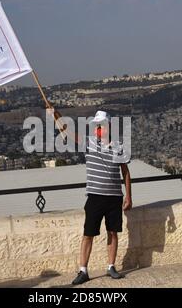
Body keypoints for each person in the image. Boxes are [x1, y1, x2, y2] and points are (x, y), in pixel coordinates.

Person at [71, 110, 132, 285]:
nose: (99, 128)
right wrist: (55, 114)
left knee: (112, 232)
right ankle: (83, 270)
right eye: (97, 125)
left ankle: (111, 266)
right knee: (88, 234)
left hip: (114, 197)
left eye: (102, 125)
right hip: (95, 196)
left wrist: (128, 196)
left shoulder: (119, 146)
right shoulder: (88, 143)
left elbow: (125, 172)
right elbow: (67, 130)